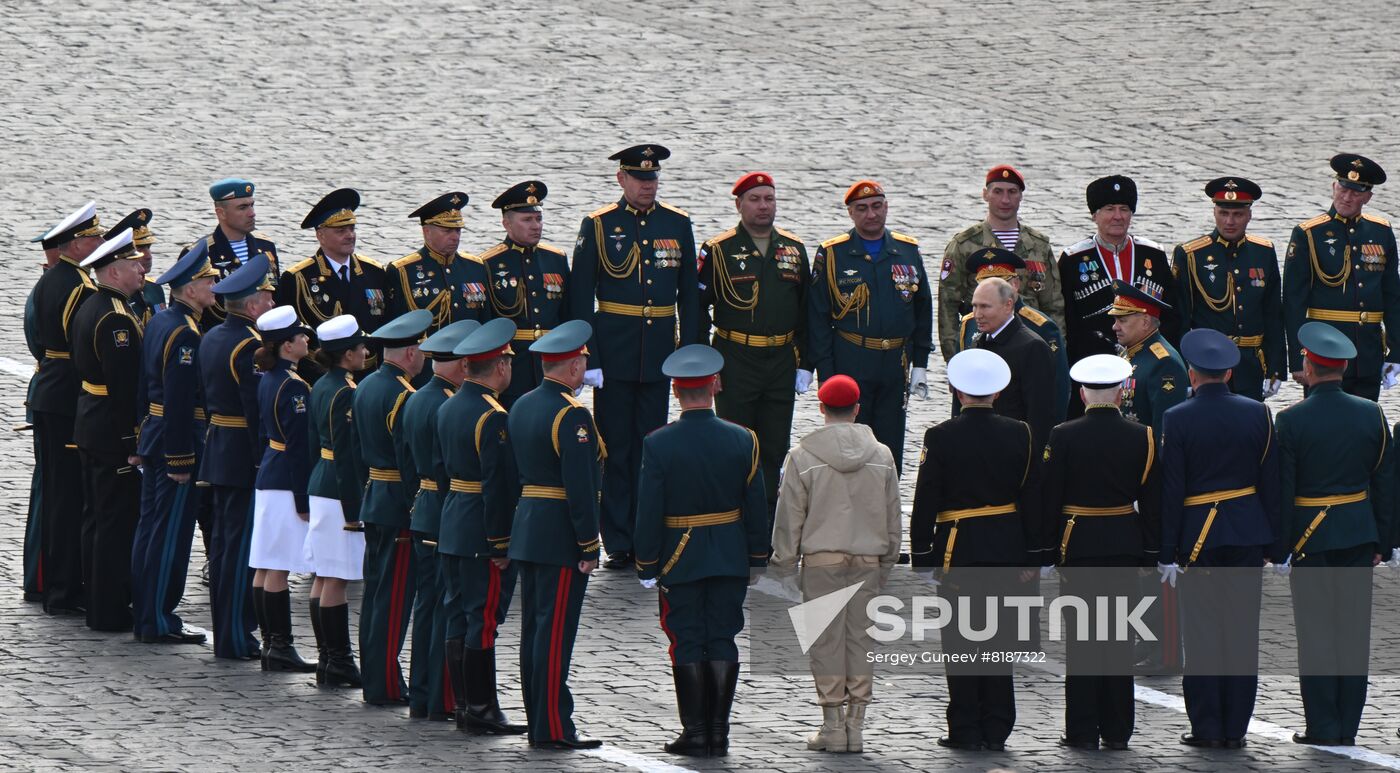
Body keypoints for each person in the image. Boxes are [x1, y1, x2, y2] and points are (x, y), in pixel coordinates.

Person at [633, 344, 770, 758]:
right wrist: (757, 556)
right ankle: (718, 731)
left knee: (687, 639)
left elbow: (649, 509)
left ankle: (695, 732)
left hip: (680, 555)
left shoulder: (658, 443)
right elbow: (756, 504)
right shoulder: (743, 438)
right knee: (723, 637)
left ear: (675, 392)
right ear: (715, 386)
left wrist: (646, 562)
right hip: (728, 552)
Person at [569, 143, 699, 569]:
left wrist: (692, 356)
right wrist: (590, 357)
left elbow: (689, 299)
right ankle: (619, 540)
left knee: (651, 448)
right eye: (640, 179)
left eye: (652, 179)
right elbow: (581, 296)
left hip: (659, 352)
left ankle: (649, 536)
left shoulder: (677, 223)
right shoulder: (600, 225)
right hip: (615, 351)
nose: (647, 186)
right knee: (615, 449)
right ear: (621, 180)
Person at [910, 349, 1039, 752]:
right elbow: (1033, 497)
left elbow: (926, 497)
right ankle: (997, 726)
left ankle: (965, 727)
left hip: (957, 548)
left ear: (955, 390)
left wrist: (922, 554)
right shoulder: (1021, 432)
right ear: (998, 393)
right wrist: (1032, 556)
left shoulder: (941, 436)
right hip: (1006, 546)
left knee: (962, 643)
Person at [1272, 322, 1394, 745]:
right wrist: (1384, 541)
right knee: (1353, 633)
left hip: (1311, 538)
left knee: (1317, 634)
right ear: (1342, 368)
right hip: (1359, 534)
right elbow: (1384, 481)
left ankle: (1323, 725)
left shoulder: (1290, 421)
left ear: (1309, 364)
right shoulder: (1372, 413)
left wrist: (1282, 545)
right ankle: (1349, 726)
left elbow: (1284, 489)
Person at [1159, 328, 1279, 749]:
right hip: (1246, 533)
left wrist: (1167, 551)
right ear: (1228, 374)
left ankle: (1207, 726)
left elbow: (1172, 491)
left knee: (1204, 635)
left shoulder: (1176, 418)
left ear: (1192, 374)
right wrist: (1274, 545)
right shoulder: (1258, 413)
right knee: (1242, 633)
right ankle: (1236, 728)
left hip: (1198, 539)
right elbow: (1271, 483)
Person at [770, 374, 901, 754]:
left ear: (821, 408)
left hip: (822, 560)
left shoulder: (802, 456)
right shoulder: (882, 455)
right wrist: (888, 560)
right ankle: (856, 727)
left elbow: (790, 515)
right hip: (868, 559)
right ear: (858, 409)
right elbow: (893, 515)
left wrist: (783, 564)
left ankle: (832, 725)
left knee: (826, 643)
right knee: (861, 642)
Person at [1041, 354, 1160, 750]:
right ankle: (1118, 730)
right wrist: (1150, 554)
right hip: (1124, 544)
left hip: (1079, 546)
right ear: (1123, 391)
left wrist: (1045, 551)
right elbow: (1152, 502)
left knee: (1084, 643)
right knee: (1119, 641)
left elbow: (1050, 497)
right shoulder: (1142, 435)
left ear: (1081, 392)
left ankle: (1081, 729)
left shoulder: (1063, 434)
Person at [508, 320, 605, 749]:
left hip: (529, 527)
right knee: (553, 635)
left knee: (535, 629)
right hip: (559, 533)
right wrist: (589, 543)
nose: (585, 367)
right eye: (582, 361)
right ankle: (550, 726)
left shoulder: (523, 403)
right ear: (571, 366)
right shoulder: (572, 414)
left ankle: (540, 717)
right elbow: (580, 485)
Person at [698, 172, 811, 522]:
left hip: (780, 359)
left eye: (769, 199)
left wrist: (806, 363)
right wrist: (704, 367)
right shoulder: (719, 250)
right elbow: (696, 310)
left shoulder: (794, 248)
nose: (763, 206)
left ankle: (765, 528)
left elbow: (808, 310)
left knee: (775, 447)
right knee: (735, 444)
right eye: (755, 199)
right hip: (735, 358)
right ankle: (732, 521)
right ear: (739, 205)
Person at [438, 318, 528, 735]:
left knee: (458, 615)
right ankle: (482, 707)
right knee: (483, 618)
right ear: (501, 367)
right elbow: (498, 486)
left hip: (454, 522)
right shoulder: (493, 416)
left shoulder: (449, 405)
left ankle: (462, 704)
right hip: (480, 531)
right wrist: (501, 542)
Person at [808, 180, 933, 474]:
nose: (871, 214)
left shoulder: (906, 250)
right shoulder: (832, 254)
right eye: (862, 208)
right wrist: (825, 374)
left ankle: (887, 506)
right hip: (852, 357)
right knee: (850, 443)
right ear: (851, 213)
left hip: (895, 362)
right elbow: (818, 317)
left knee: (890, 446)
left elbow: (922, 307)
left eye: (877, 206)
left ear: (886, 207)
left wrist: (920, 364)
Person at [131, 240, 218, 644]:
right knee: (170, 535)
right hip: (174, 442)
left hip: (154, 435)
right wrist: (181, 459)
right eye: (208, 281)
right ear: (188, 288)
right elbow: (181, 401)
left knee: (151, 529)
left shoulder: (162, 319)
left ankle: (147, 610)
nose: (215, 287)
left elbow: (141, 387)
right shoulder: (184, 333)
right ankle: (158, 619)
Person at [401, 319, 480, 721]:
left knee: (426, 605)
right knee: (443, 609)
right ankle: (437, 698)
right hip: (443, 509)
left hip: (423, 506)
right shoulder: (448, 403)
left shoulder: (416, 397)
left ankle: (423, 693)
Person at [200, 254, 277, 660]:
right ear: (251, 306)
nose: (270, 304)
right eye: (265, 298)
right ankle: (234, 635)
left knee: (225, 545)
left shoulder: (212, 335)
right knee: (239, 548)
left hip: (218, 447)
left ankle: (230, 630)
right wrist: (261, 459)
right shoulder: (251, 345)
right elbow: (255, 408)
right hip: (241, 453)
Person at [354, 309, 433, 706]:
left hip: (374, 499)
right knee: (394, 598)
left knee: (376, 594)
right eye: (420, 349)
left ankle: (375, 674)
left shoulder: (367, 385)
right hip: (397, 506)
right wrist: (416, 509)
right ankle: (384, 682)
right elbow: (409, 461)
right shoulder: (404, 395)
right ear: (410, 352)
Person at [71, 228, 147, 632]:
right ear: (115, 272)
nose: (141, 270)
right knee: (114, 522)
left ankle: (97, 602)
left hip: (90, 421)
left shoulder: (92, 304)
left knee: (96, 519)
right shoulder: (117, 317)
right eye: (134, 265)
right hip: (109, 429)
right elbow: (122, 388)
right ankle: (109, 610)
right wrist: (131, 442)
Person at [31, 201, 103, 615]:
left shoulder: (53, 277)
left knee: (58, 493)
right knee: (68, 496)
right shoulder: (81, 286)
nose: (98, 243)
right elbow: (82, 344)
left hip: (48, 390)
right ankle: (63, 590)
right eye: (93, 238)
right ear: (76, 244)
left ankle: (56, 587)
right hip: (66, 394)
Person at [1282, 154, 1400, 401]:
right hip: (1324, 353)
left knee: (1366, 421)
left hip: (1368, 351)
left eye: (1356, 193)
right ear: (1334, 186)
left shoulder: (1381, 231)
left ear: (1367, 196)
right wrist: (1297, 357)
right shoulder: (1309, 234)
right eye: (1343, 188)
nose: (1347, 197)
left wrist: (1396, 352)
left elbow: (1392, 296)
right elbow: (1294, 302)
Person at [1059, 175, 1178, 415]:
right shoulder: (1073, 259)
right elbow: (1067, 319)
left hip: (1146, 365)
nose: (1118, 216)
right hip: (1093, 366)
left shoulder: (1152, 254)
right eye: (1109, 209)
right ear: (1094, 215)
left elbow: (1173, 311)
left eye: (1124, 209)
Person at [305, 315, 372, 689]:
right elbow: (347, 455)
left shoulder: (321, 384)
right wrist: (353, 511)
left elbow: (314, 441)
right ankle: (338, 660)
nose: (365, 352)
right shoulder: (346, 390)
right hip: (337, 489)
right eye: (360, 347)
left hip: (321, 481)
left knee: (326, 576)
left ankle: (329, 659)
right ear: (347, 354)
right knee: (336, 578)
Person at [1172, 177, 1284, 401]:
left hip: (1250, 364)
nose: (1230, 221)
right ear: (1214, 213)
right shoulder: (1191, 255)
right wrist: (1182, 372)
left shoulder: (1263, 252)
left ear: (1249, 215)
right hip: (1207, 366)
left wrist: (1276, 367)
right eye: (1223, 213)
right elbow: (1180, 320)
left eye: (1238, 214)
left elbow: (1273, 314)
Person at [248, 306, 317, 672]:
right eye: (300, 336)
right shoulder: (293, 386)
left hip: (270, 475)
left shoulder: (270, 377)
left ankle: (271, 643)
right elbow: (299, 447)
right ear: (286, 346)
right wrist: (303, 499)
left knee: (265, 564)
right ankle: (280, 646)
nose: (307, 339)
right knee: (276, 568)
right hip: (284, 480)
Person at [938, 164, 1063, 359]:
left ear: (1021, 195)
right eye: (998, 192)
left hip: (1031, 346)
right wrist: (954, 359)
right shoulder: (964, 245)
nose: (1005, 200)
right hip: (981, 345)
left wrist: (1056, 353)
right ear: (985, 194)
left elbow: (1054, 306)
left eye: (1012, 192)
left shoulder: (1038, 245)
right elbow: (948, 306)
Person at [277, 188, 390, 380]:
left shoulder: (374, 272)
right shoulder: (298, 278)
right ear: (320, 235)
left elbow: (385, 323)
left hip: (369, 374)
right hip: (321, 375)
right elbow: (288, 334)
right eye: (341, 231)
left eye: (352, 229)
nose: (350, 235)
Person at [481, 181, 570, 406]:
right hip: (511, 366)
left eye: (538, 219)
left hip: (551, 364)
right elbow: (486, 320)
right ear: (506, 224)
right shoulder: (488, 263)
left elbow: (569, 313)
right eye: (527, 220)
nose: (536, 226)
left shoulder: (555, 259)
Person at [957, 248, 1070, 422]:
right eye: (984, 284)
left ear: (1015, 285)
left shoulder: (1041, 328)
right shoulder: (969, 324)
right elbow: (963, 387)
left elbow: (1055, 394)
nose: (990, 289)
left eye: (1000, 282)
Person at [21, 219, 65, 603]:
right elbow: (40, 344)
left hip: (51, 390)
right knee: (49, 491)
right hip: (54, 393)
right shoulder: (49, 290)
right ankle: (40, 575)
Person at [959, 276, 1055, 451]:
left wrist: (1033, 465)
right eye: (974, 305)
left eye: (985, 307)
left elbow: (1040, 416)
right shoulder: (979, 341)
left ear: (1008, 305)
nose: (977, 314)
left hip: (1014, 452)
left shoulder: (1032, 347)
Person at [386, 192, 492, 339]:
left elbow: (486, 319)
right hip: (427, 358)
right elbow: (396, 328)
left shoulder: (475, 267)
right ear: (427, 232)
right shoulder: (403, 270)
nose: (455, 237)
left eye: (458, 230)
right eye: (447, 231)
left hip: (468, 356)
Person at [1109, 281, 1187, 440]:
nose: (1114, 327)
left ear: (1145, 322)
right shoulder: (1133, 351)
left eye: (1122, 320)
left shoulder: (1164, 363)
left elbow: (1164, 434)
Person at [203, 177, 279, 324]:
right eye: (242, 207)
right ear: (221, 213)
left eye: (252, 205)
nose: (252, 213)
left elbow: (277, 297)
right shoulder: (203, 253)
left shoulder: (265, 246)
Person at [105, 209, 166, 326]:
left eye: (148, 247)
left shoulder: (155, 288)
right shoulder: (114, 295)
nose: (148, 256)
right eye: (140, 250)